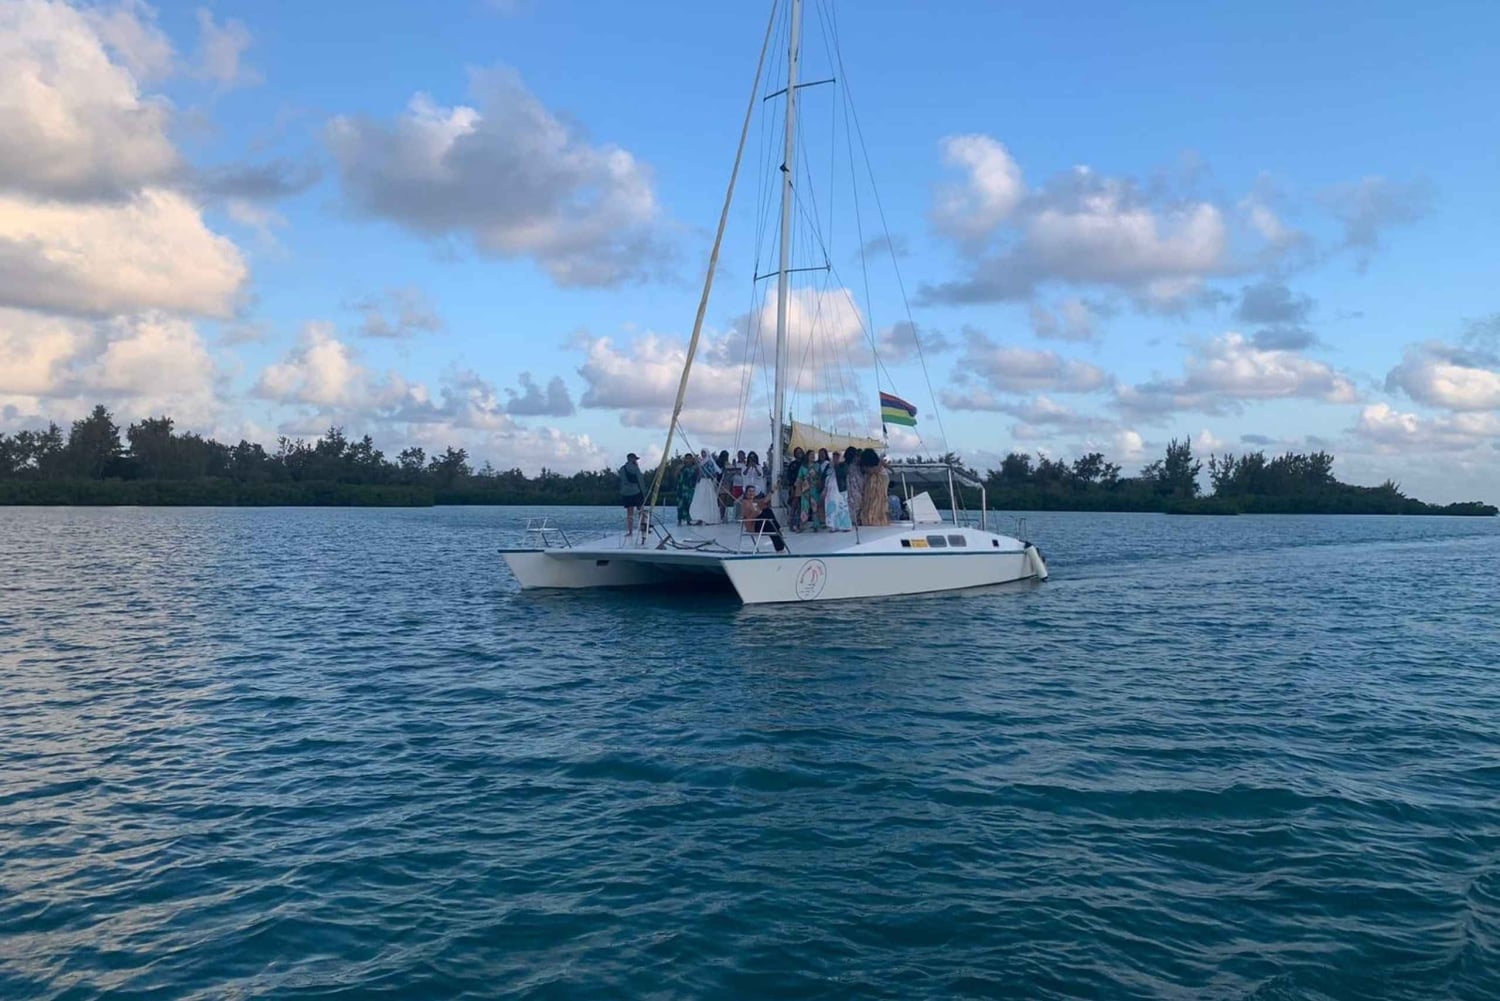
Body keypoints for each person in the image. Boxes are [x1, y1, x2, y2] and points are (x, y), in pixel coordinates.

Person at [739, 485, 786, 552]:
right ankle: (780, 547)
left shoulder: (755, 501)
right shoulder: (745, 503)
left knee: (769, 516)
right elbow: (749, 516)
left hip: (760, 522)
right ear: (746, 493)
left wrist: (772, 490)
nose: (751, 493)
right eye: (749, 491)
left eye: (753, 491)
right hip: (753, 525)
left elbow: (765, 500)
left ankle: (780, 547)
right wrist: (757, 512)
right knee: (769, 521)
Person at [689, 448, 721, 524]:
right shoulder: (701, 462)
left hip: (707, 483)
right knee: (699, 500)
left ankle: (707, 518)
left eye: (704, 453)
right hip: (700, 483)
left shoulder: (709, 462)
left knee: (707, 500)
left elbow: (712, 473)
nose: (703, 454)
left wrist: (704, 475)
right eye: (702, 453)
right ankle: (698, 517)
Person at [619, 451, 646, 540]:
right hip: (636, 492)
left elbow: (622, 482)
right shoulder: (635, 468)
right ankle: (643, 529)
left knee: (629, 513)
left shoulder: (622, 469)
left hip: (626, 493)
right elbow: (640, 481)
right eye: (635, 459)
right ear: (632, 459)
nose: (636, 461)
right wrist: (644, 493)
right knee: (641, 511)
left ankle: (630, 532)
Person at [824, 449, 853, 531]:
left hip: (840, 489)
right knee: (831, 507)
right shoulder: (828, 465)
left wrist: (836, 465)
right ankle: (832, 526)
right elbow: (824, 476)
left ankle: (845, 526)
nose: (835, 458)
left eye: (837, 456)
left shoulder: (843, 465)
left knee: (842, 507)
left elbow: (842, 474)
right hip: (830, 490)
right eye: (834, 456)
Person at [860, 449, 890, 526]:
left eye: (866, 467)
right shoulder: (871, 475)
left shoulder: (880, 475)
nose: (865, 469)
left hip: (877, 509)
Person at [795, 450, 824, 531]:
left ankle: (816, 525)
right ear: (807, 456)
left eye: (813, 454)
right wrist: (797, 486)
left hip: (814, 489)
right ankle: (802, 525)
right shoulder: (803, 467)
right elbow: (799, 477)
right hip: (805, 489)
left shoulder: (817, 465)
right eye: (811, 455)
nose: (812, 456)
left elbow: (820, 477)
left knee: (815, 507)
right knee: (804, 507)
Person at [676, 453, 699, 525]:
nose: (688, 460)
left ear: (692, 459)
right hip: (681, 488)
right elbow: (676, 475)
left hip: (690, 488)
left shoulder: (694, 468)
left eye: (690, 458)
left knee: (689, 504)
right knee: (680, 505)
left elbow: (697, 478)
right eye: (687, 458)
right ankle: (679, 520)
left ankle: (689, 520)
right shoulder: (681, 467)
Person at [844, 445, 864, 526]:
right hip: (855, 492)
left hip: (848, 492)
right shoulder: (855, 468)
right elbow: (860, 482)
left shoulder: (846, 467)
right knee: (857, 509)